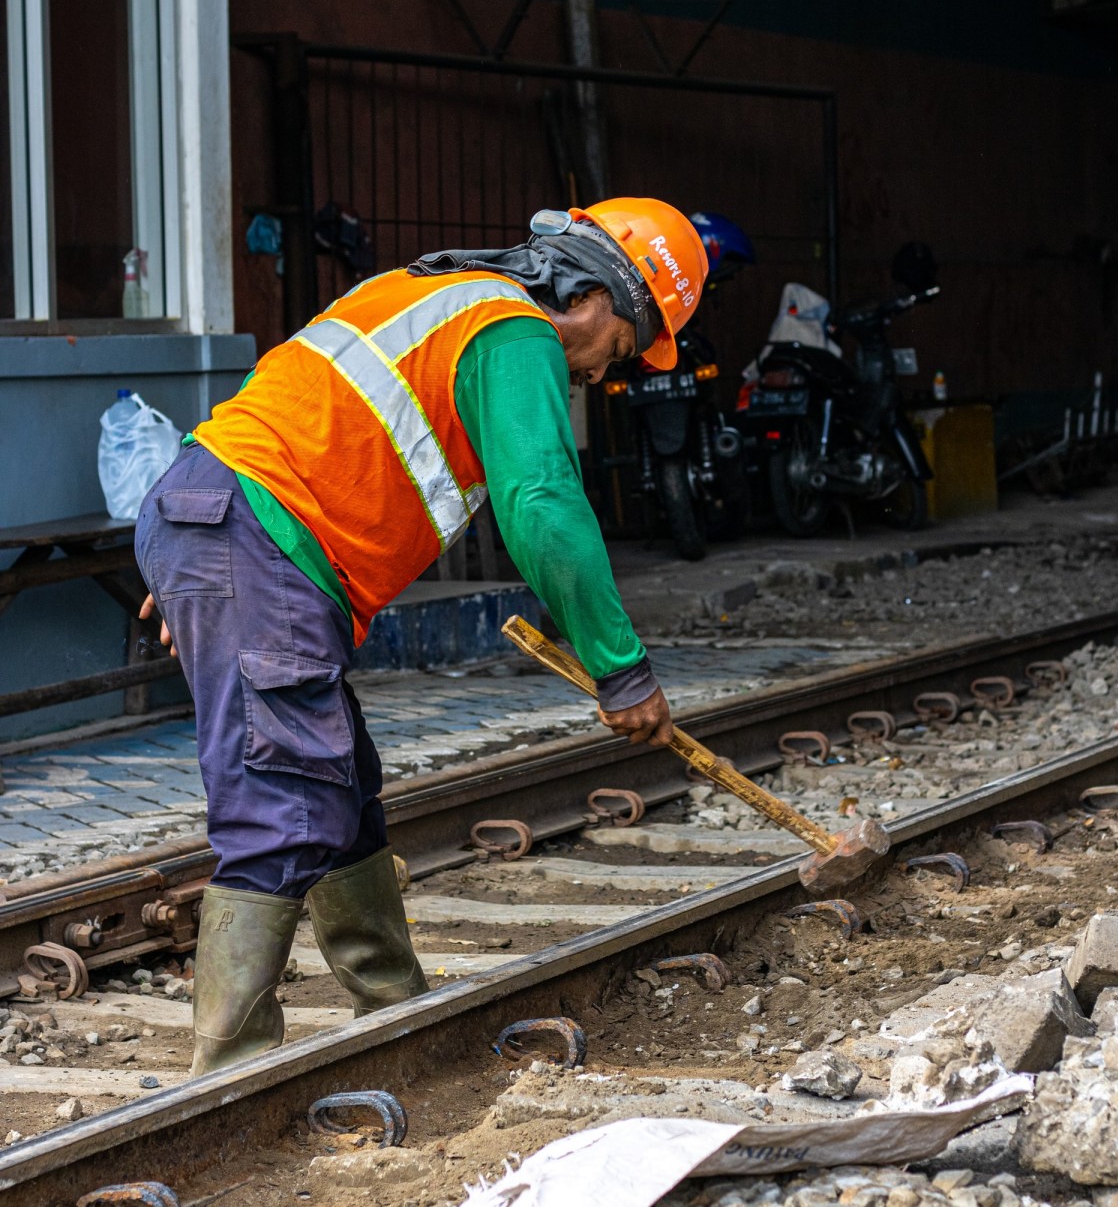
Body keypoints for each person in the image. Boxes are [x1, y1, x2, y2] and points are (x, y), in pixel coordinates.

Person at [134, 197, 709, 1074]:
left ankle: (395, 1012)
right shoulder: (513, 332)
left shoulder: (429, 288)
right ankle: (227, 1081)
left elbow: (287, 413)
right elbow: (541, 504)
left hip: (219, 515)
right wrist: (621, 671)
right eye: (622, 351)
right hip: (255, 536)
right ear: (595, 296)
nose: (603, 375)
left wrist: (199, 566)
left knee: (343, 788)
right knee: (284, 805)